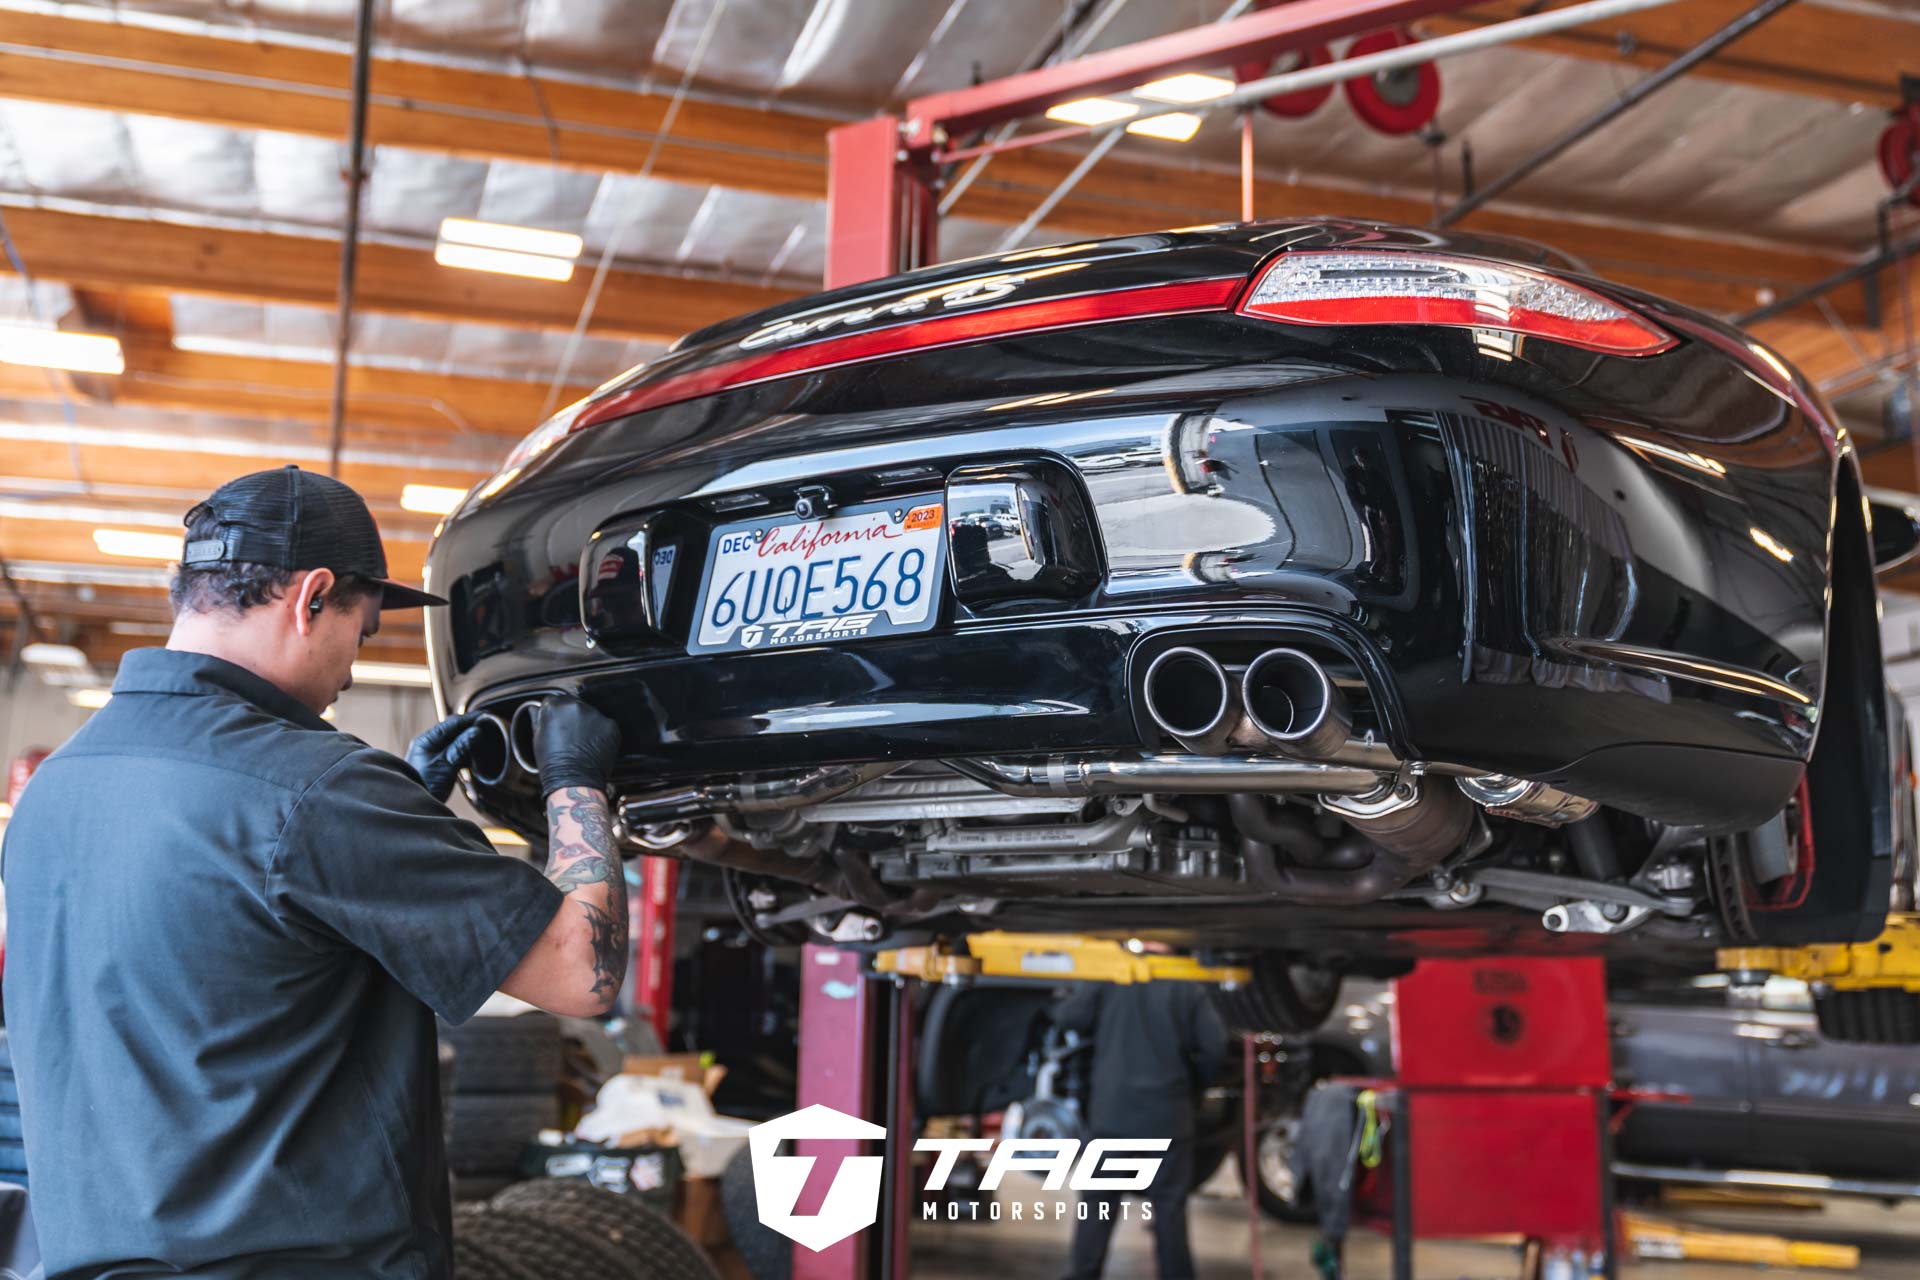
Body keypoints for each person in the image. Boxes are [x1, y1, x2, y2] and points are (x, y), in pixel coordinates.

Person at [1, 465, 628, 1279]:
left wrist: (397, 812)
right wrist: (578, 784)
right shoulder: (318, 788)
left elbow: (225, 956)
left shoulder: (59, 784)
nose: (353, 673)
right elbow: (584, 970)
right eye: (362, 633)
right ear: (312, 596)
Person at [1054, 971, 1229, 1280]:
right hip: (1167, 1116)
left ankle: (1083, 1273)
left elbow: (1069, 1017)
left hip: (1112, 1115)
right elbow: (1215, 1046)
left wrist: (1070, 991)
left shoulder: (1112, 974)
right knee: (1169, 1209)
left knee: (1097, 1206)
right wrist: (1192, 1085)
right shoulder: (1187, 986)